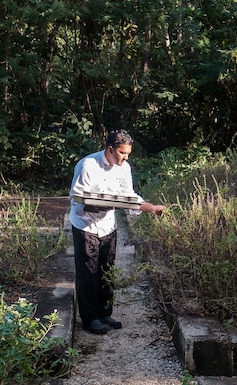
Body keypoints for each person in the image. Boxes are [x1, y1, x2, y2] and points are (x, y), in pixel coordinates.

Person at [69, 129, 165, 335]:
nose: (125, 158)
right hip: (86, 225)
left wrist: (150, 207)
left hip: (108, 226)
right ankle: (90, 319)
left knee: (106, 272)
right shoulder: (87, 166)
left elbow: (128, 195)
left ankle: (104, 314)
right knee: (88, 274)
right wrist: (99, 205)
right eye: (122, 153)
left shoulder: (124, 168)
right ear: (110, 149)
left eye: (128, 154)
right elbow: (77, 199)